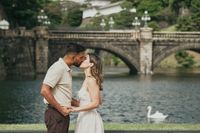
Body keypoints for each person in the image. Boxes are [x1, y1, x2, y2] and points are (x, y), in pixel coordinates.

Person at [40, 43, 86, 133]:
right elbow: (44, 91)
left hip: (60, 114)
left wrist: (84, 104)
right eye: (81, 57)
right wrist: (61, 110)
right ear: (73, 56)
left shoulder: (65, 69)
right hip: (56, 114)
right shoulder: (58, 68)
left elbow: (63, 94)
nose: (82, 60)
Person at [71, 53, 104, 133]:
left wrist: (75, 109)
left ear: (91, 64)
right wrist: (69, 100)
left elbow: (96, 103)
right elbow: (86, 103)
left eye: (85, 58)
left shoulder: (91, 80)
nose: (82, 60)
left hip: (89, 119)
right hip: (84, 116)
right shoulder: (87, 79)